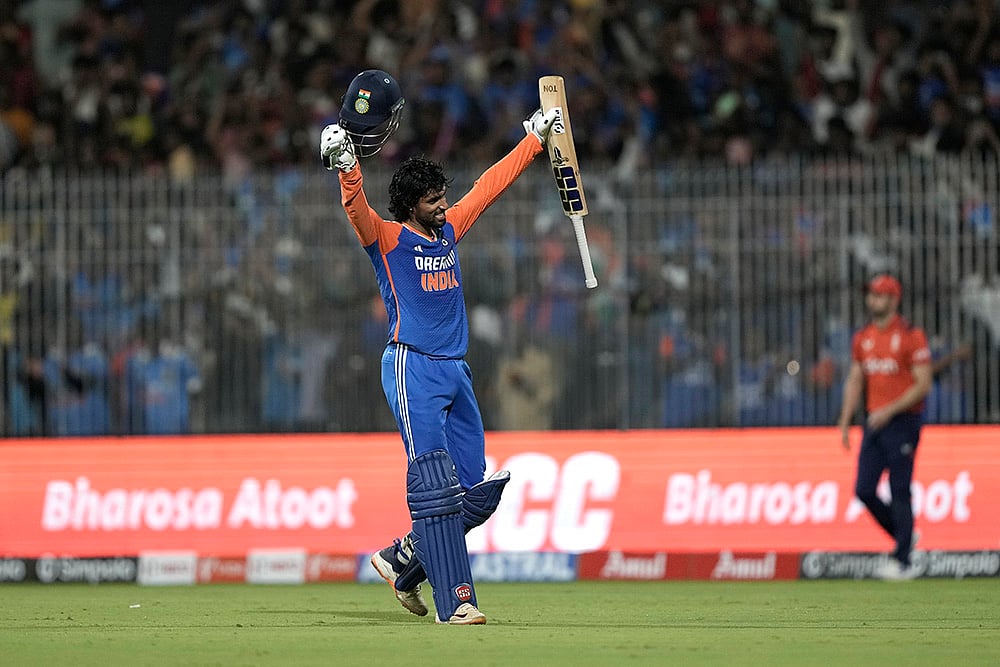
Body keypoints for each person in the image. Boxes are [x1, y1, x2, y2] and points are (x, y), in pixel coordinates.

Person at [320, 70, 557, 625]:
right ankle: (458, 602)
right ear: (410, 206)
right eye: (433, 200)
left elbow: (488, 188)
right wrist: (346, 165)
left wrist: (535, 139)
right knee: (433, 483)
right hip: (411, 367)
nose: (444, 205)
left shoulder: (448, 230)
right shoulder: (386, 239)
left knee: (472, 489)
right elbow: (356, 208)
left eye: (443, 196)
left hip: (456, 372)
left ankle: (402, 557)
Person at [836, 274, 932, 580]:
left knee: (899, 489)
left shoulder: (910, 335)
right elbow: (855, 378)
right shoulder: (862, 337)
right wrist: (845, 419)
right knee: (864, 489)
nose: (872, 300)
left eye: (879, 295)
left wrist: (890, 410)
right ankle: (904, 536)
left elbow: (923, 384)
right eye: (871, 295)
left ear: (894, 299)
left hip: (902, 421)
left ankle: (903, 561)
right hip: (873, 423)